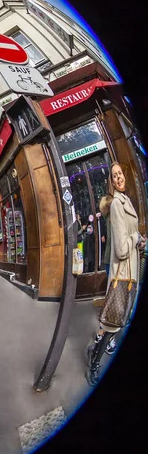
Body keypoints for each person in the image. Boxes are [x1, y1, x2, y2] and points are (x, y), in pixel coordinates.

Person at [86, 162, 145, 386]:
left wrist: (137, 241)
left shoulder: (126, 199)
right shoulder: (118, 204)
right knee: (113, 323)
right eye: (114, 175)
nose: (119, 177)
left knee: (117, 322)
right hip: (123, 273)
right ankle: (94, 360)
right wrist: (136, 239)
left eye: (120, 173)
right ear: (111, 181)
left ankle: (97, 351)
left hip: (129, 272)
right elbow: (121, 249)